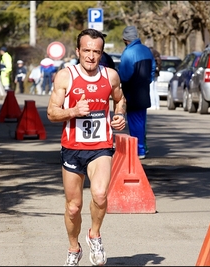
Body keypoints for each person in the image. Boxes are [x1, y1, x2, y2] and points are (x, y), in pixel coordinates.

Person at [47, 28, 126, 266]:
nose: (91, 56)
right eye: (87, 51)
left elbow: (120, 99)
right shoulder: (65, 76)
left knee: (100, 194)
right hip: (72, 146)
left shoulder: (110, 76)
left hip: (101, 145)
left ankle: (94, 235)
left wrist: (120, 115)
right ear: (78, 51)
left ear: (101, 54)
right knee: (73, 208)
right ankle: (74, 248)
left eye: (96, 52)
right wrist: (72, 111)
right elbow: (52, 112)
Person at [118, 26, 155, 159]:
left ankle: (139, 151)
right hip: (144, 91)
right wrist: (146, 81)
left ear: (125, 39)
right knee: (142, 122)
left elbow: (125, 75)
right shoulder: (146, 50)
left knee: (135, 122)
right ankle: (143, 147)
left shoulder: (128, 52)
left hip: (132, 92)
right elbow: (153, 69)